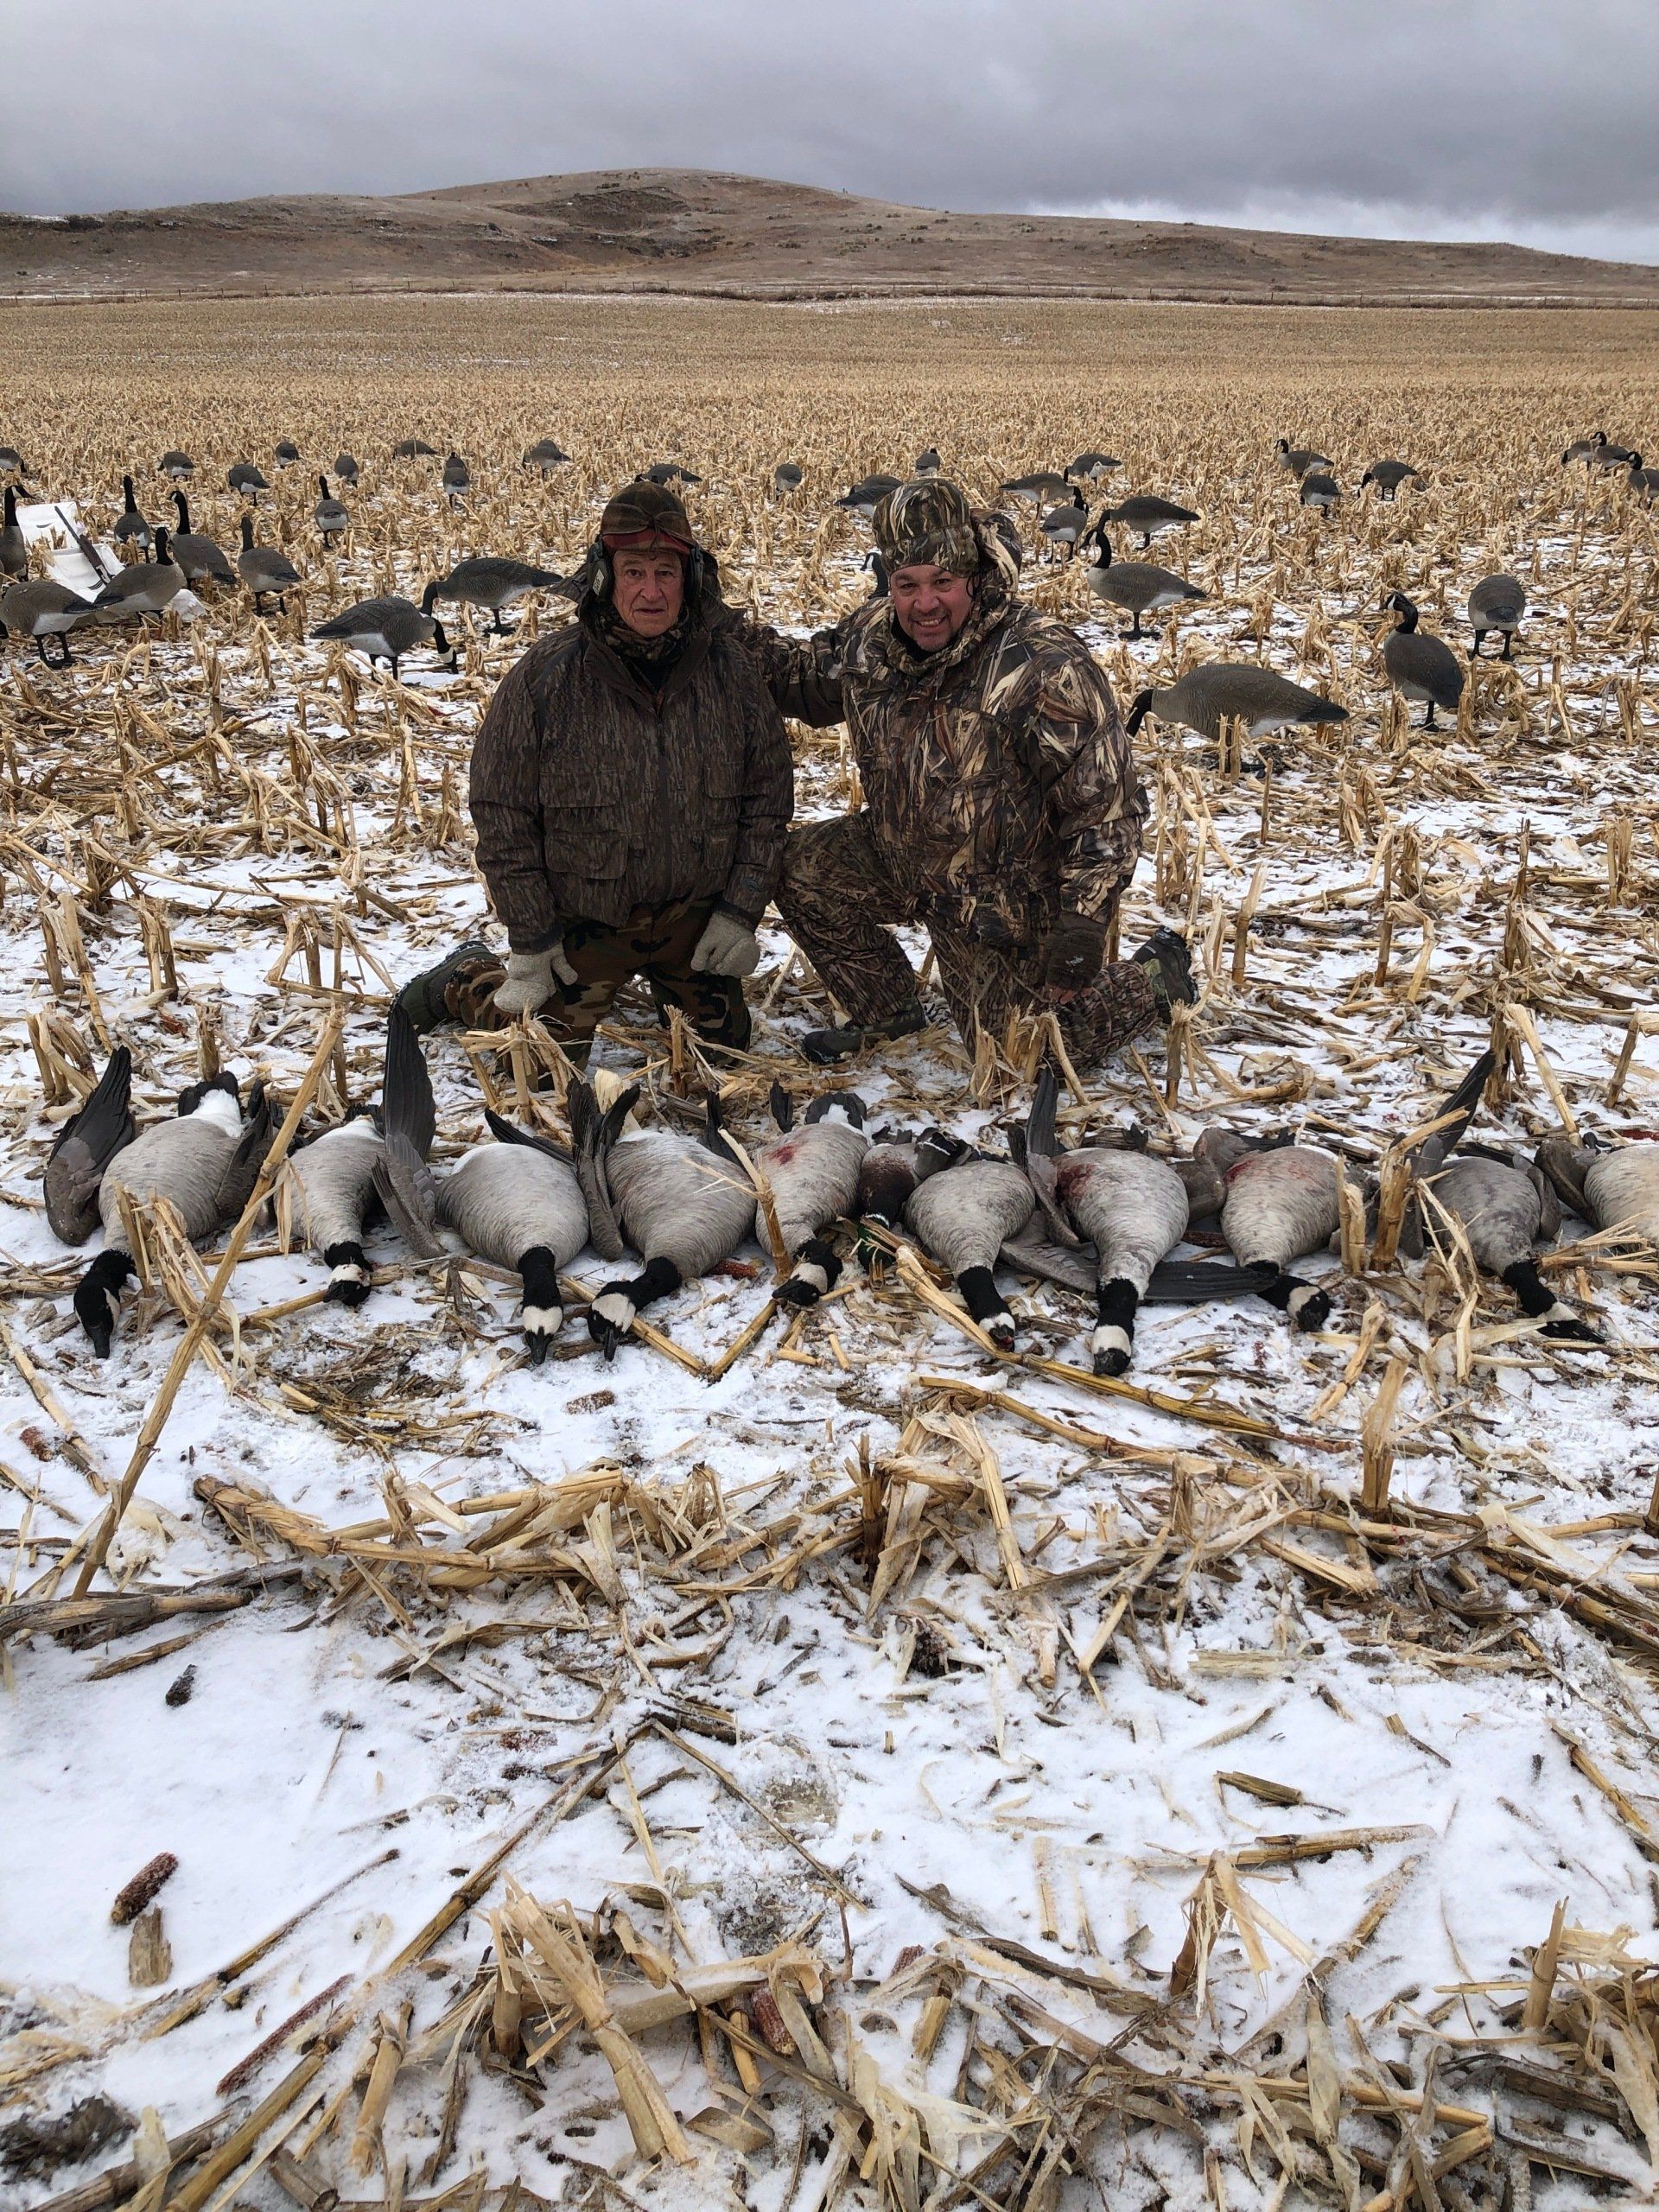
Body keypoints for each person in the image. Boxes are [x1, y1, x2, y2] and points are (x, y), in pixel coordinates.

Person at [773, 476, 1192, 1063]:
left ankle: (1156, 979)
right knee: (798, 870)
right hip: (901, 853)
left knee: (1017, 1057)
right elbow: (798, 679)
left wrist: (1082, 925)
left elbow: (1107, 809)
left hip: (1002, 897)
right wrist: (715, 633)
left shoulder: (1042, 664)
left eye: (943, 583)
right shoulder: (870, 636)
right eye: (907, 585)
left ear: (972, 576)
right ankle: (886, 1014)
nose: (925, 604)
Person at [397, 482, 813, 1056]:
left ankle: (682, 988)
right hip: (583, 923)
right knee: (536, 1063)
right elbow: (502, 814)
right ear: (602, 576)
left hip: (692, 923)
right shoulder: (546, 678)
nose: (650, 591)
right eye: (633, 571)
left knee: (725, 1056)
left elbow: (767, 805)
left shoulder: (733, 676)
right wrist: (534, 937)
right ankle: (468, 979)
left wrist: (738, 913)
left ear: (689, 580)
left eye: (665, 572)